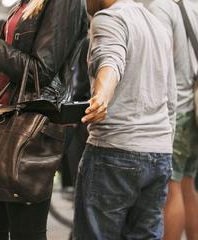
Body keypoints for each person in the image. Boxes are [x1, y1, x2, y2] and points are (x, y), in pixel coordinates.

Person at [0, 0, 88, 239]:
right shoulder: (25, 3)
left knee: (25, 232)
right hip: (8, 122)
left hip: (33, 127)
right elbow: (10, 70)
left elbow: (40, 72)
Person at [72, 0, 177, 239]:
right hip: (159, 154)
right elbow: (171, 97)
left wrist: (101, 97)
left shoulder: (108, 18)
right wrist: (165, 146)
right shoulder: (158, 26)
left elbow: (110, 60)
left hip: (114, 152)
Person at [149, 1, 198, 239]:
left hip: (177, 111)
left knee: (172, 190)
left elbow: (158, 64)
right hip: (196, 110)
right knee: (188, 187)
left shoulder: (162, 8)